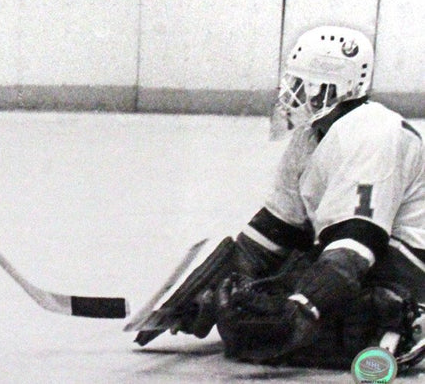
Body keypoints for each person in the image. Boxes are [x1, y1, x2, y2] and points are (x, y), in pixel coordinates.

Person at [145, 26, 425, 370]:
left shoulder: (372, 133)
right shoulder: (311, 138)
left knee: (298, 328)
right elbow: (275, 231)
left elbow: (356, 246)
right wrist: (212, 287)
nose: (289, 92)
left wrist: (302, 309)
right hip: (366, 254)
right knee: (246, 315)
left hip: (407, 263)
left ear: (330, 86)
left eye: (298, 82)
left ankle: (404, 318)